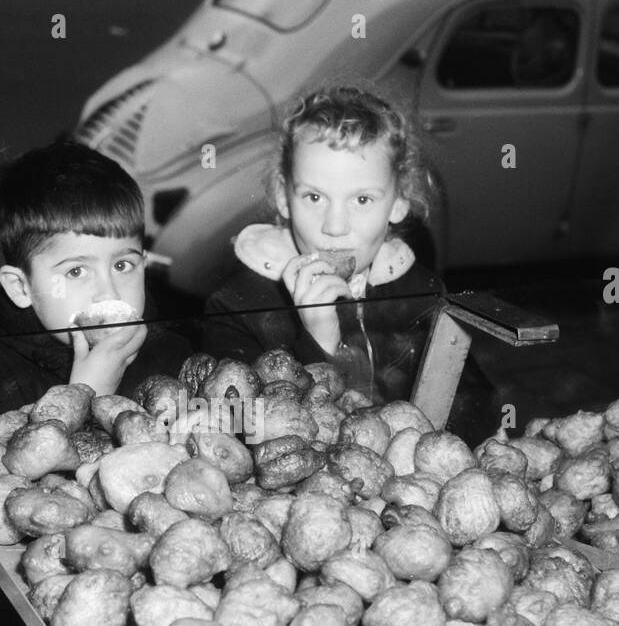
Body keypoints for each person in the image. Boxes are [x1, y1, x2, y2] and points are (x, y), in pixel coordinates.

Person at [201, 85, 496, 442]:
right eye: (314, 197)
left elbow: (475, 402)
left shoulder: (422, 292)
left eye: (361, 199)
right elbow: (236, 431)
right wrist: (317, 344)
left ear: (400, 201)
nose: (335, 227)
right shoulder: (235, 307)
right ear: (283, 196)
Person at [0, 142, 191, 417]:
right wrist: (87, 394)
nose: (108, 294)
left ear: (144, 265)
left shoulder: (174, 355)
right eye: (76, 272)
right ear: (21, 287)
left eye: (122, 265)